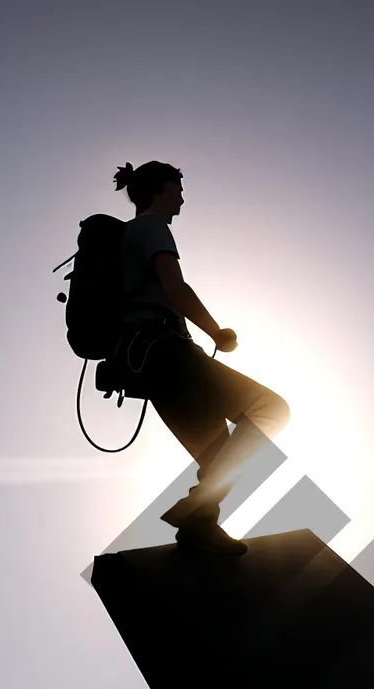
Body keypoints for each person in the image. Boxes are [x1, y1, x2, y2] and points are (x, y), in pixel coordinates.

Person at [110, 160, 291, 555]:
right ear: (160, 189)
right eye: (178, 188)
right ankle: (198, 507)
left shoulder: (126, 238)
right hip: (169, 350)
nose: (182, 198)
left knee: (220, 456)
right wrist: (217, 332)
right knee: (272, 409)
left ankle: (200, 527)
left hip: (147, 366)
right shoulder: (151, 227)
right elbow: (175, 286)